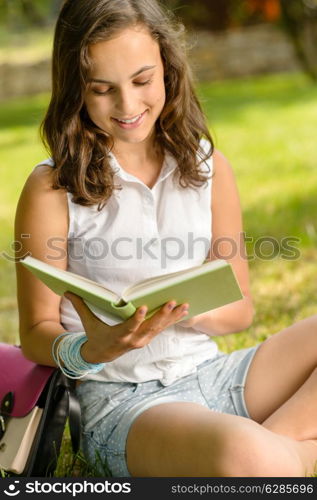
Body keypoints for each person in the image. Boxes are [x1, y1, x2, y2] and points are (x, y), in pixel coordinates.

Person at [15, 0, 317, 478]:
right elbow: (34, 333)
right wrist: (93, 349)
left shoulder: (208, 167)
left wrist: (180, 307)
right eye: (102, 90)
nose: (129, 106)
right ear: (76, 89)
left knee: (256, 453)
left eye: (142, 81)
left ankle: (275, 449)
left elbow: (241, 312)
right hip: (126, 405)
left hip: (216, 375)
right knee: (248, 458)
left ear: (168, 70)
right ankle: (277, 452)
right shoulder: (52, 188)